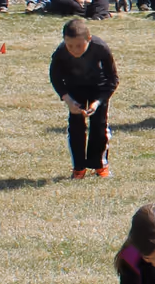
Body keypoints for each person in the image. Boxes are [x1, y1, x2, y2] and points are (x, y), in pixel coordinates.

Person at [49, 18, 118, 179]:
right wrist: (67, 99)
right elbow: (55, 77)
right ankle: (78, 167)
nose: (74, 50)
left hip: (98, 88)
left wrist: (99, 101)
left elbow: (113, 78)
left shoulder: (101, 48)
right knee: (76, 127)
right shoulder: (60, 53)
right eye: (70, 45)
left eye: (79, 46)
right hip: (74, 88)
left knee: (99, 126)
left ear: (88, 39)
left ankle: (100, 165)